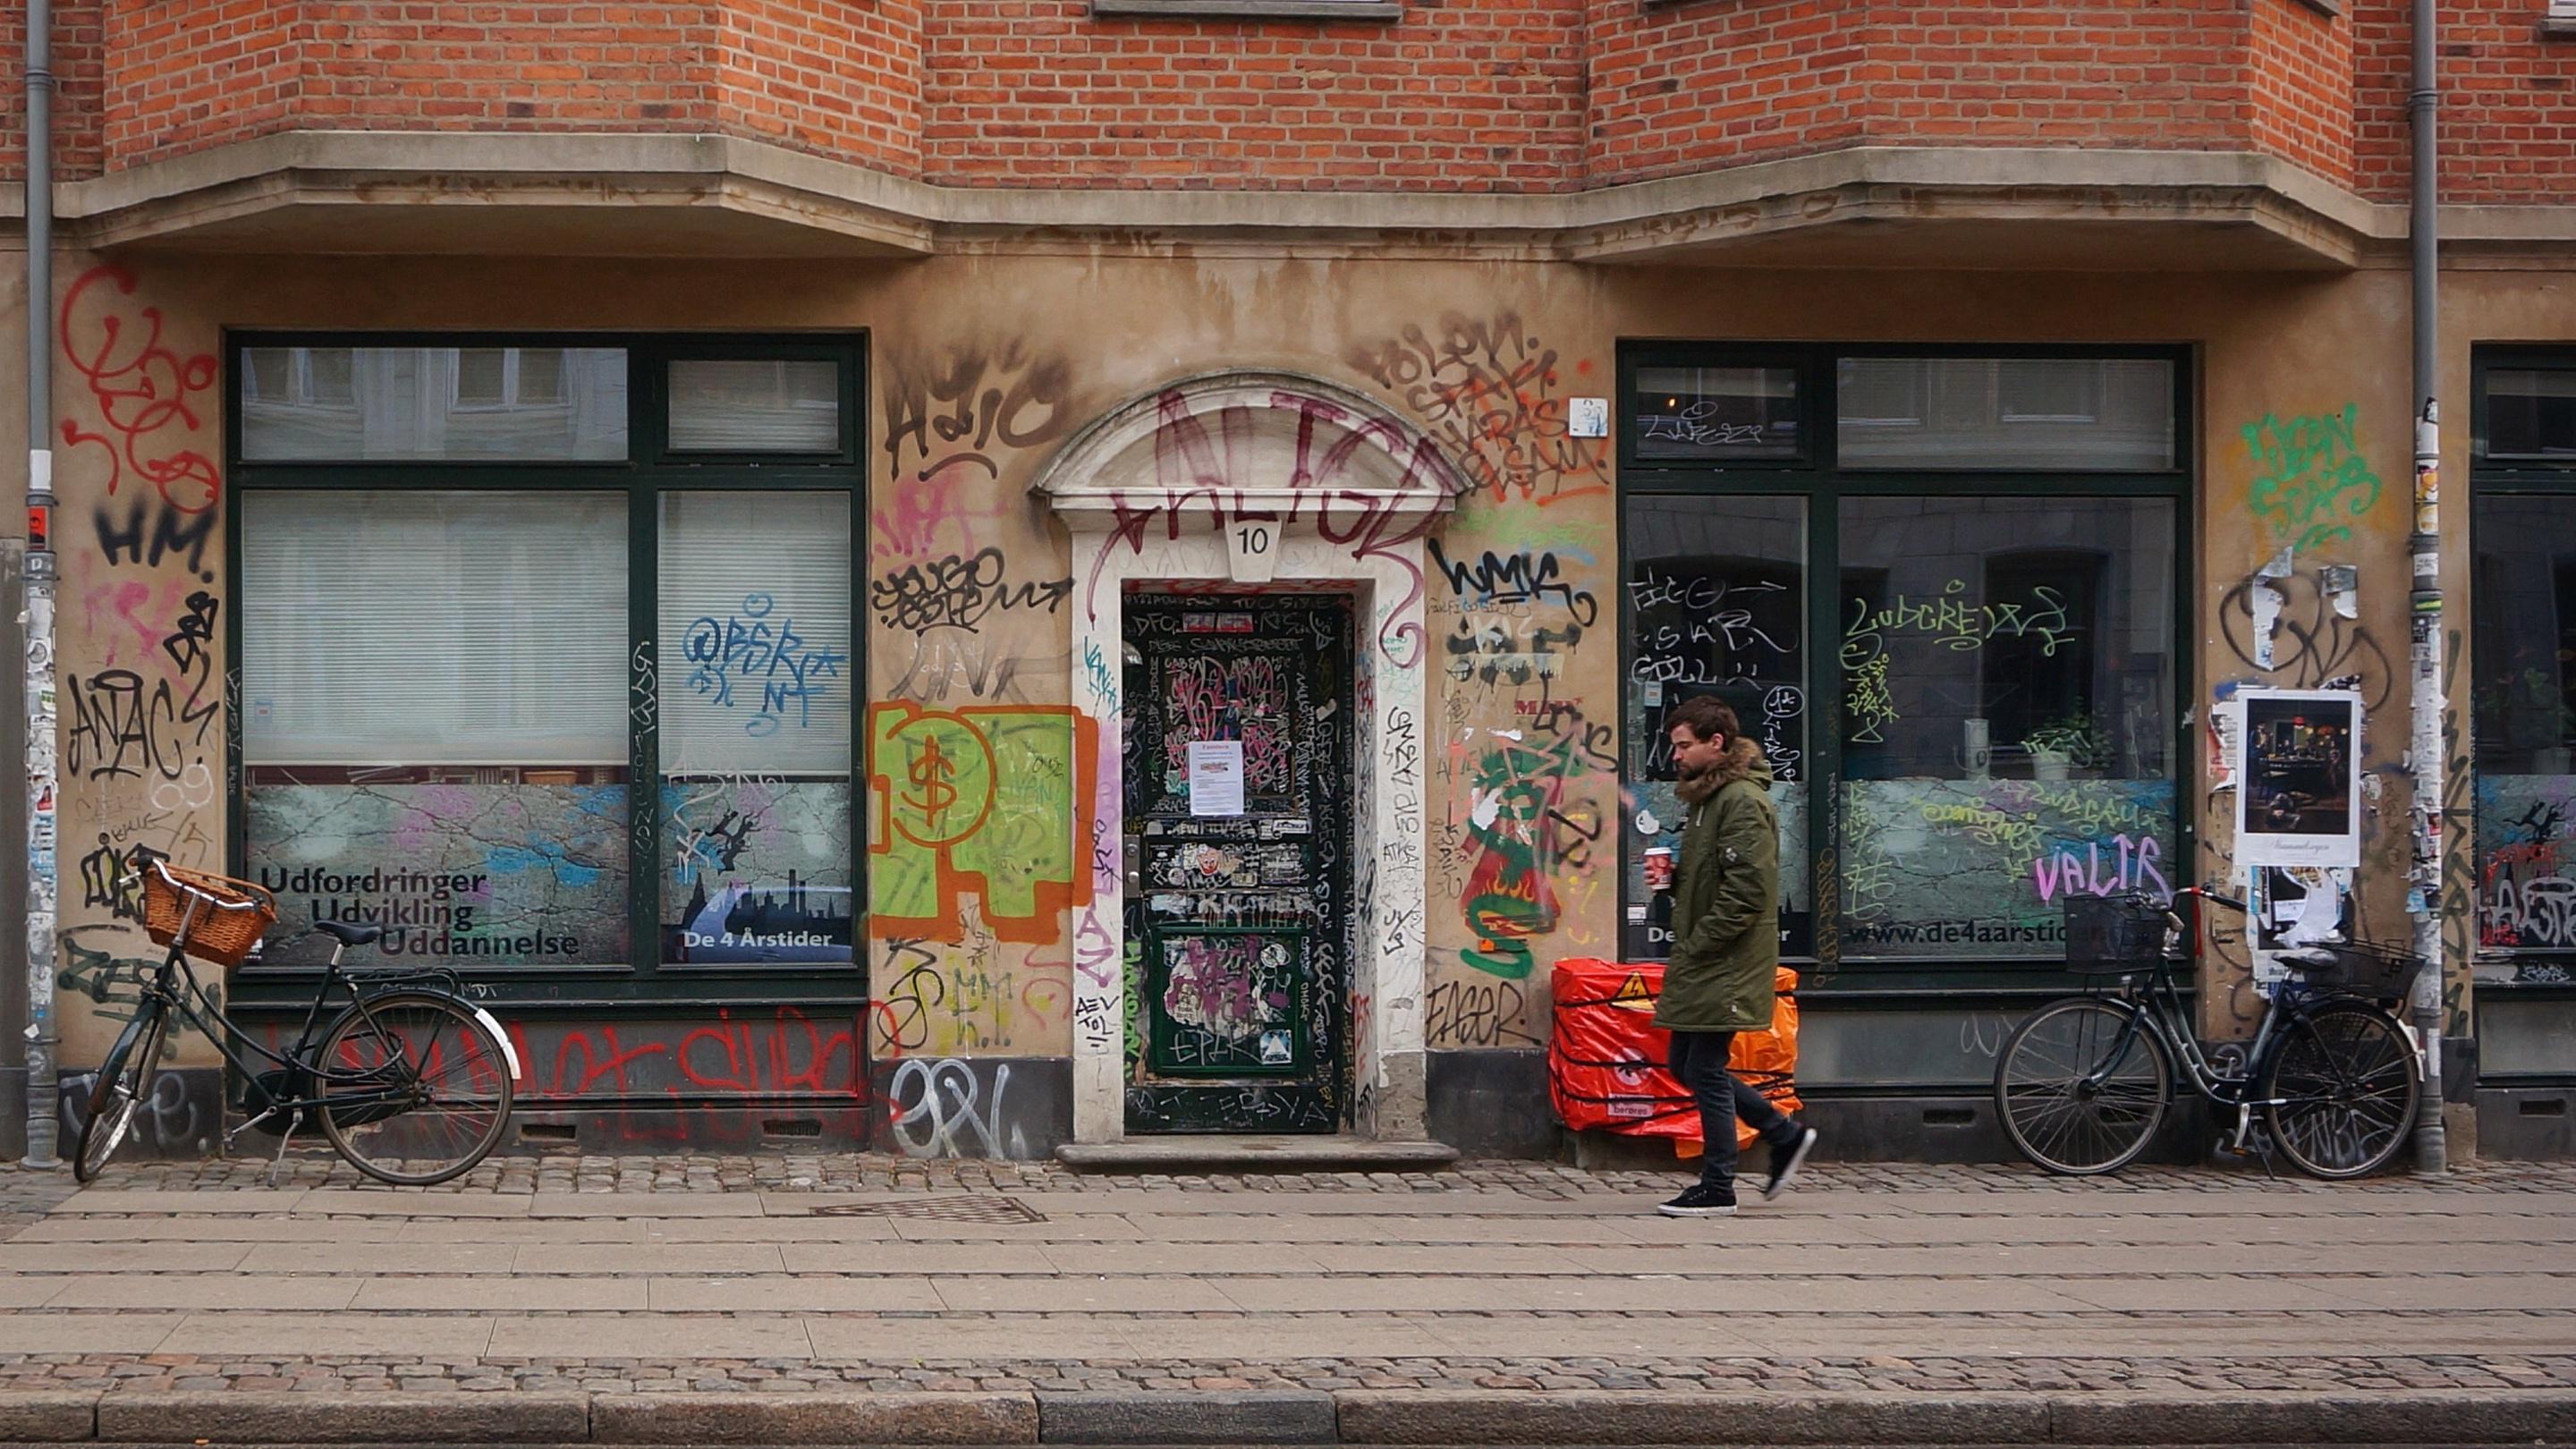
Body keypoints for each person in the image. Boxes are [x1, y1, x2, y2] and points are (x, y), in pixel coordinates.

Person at [1651, 695, 1816, 1217]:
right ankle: (1781, 1133)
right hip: (1710, 955)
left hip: (1725, 958)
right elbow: (1717, 880)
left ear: (1715, 743)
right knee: (1686, 1063)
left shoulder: (1741, 801)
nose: (1675, 756)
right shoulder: (1708, 801)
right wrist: (1675, 883)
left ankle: (1719, 1184)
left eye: (1683, 746)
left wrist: (1697, 944)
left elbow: (1747, 893)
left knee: (1704, 1066)